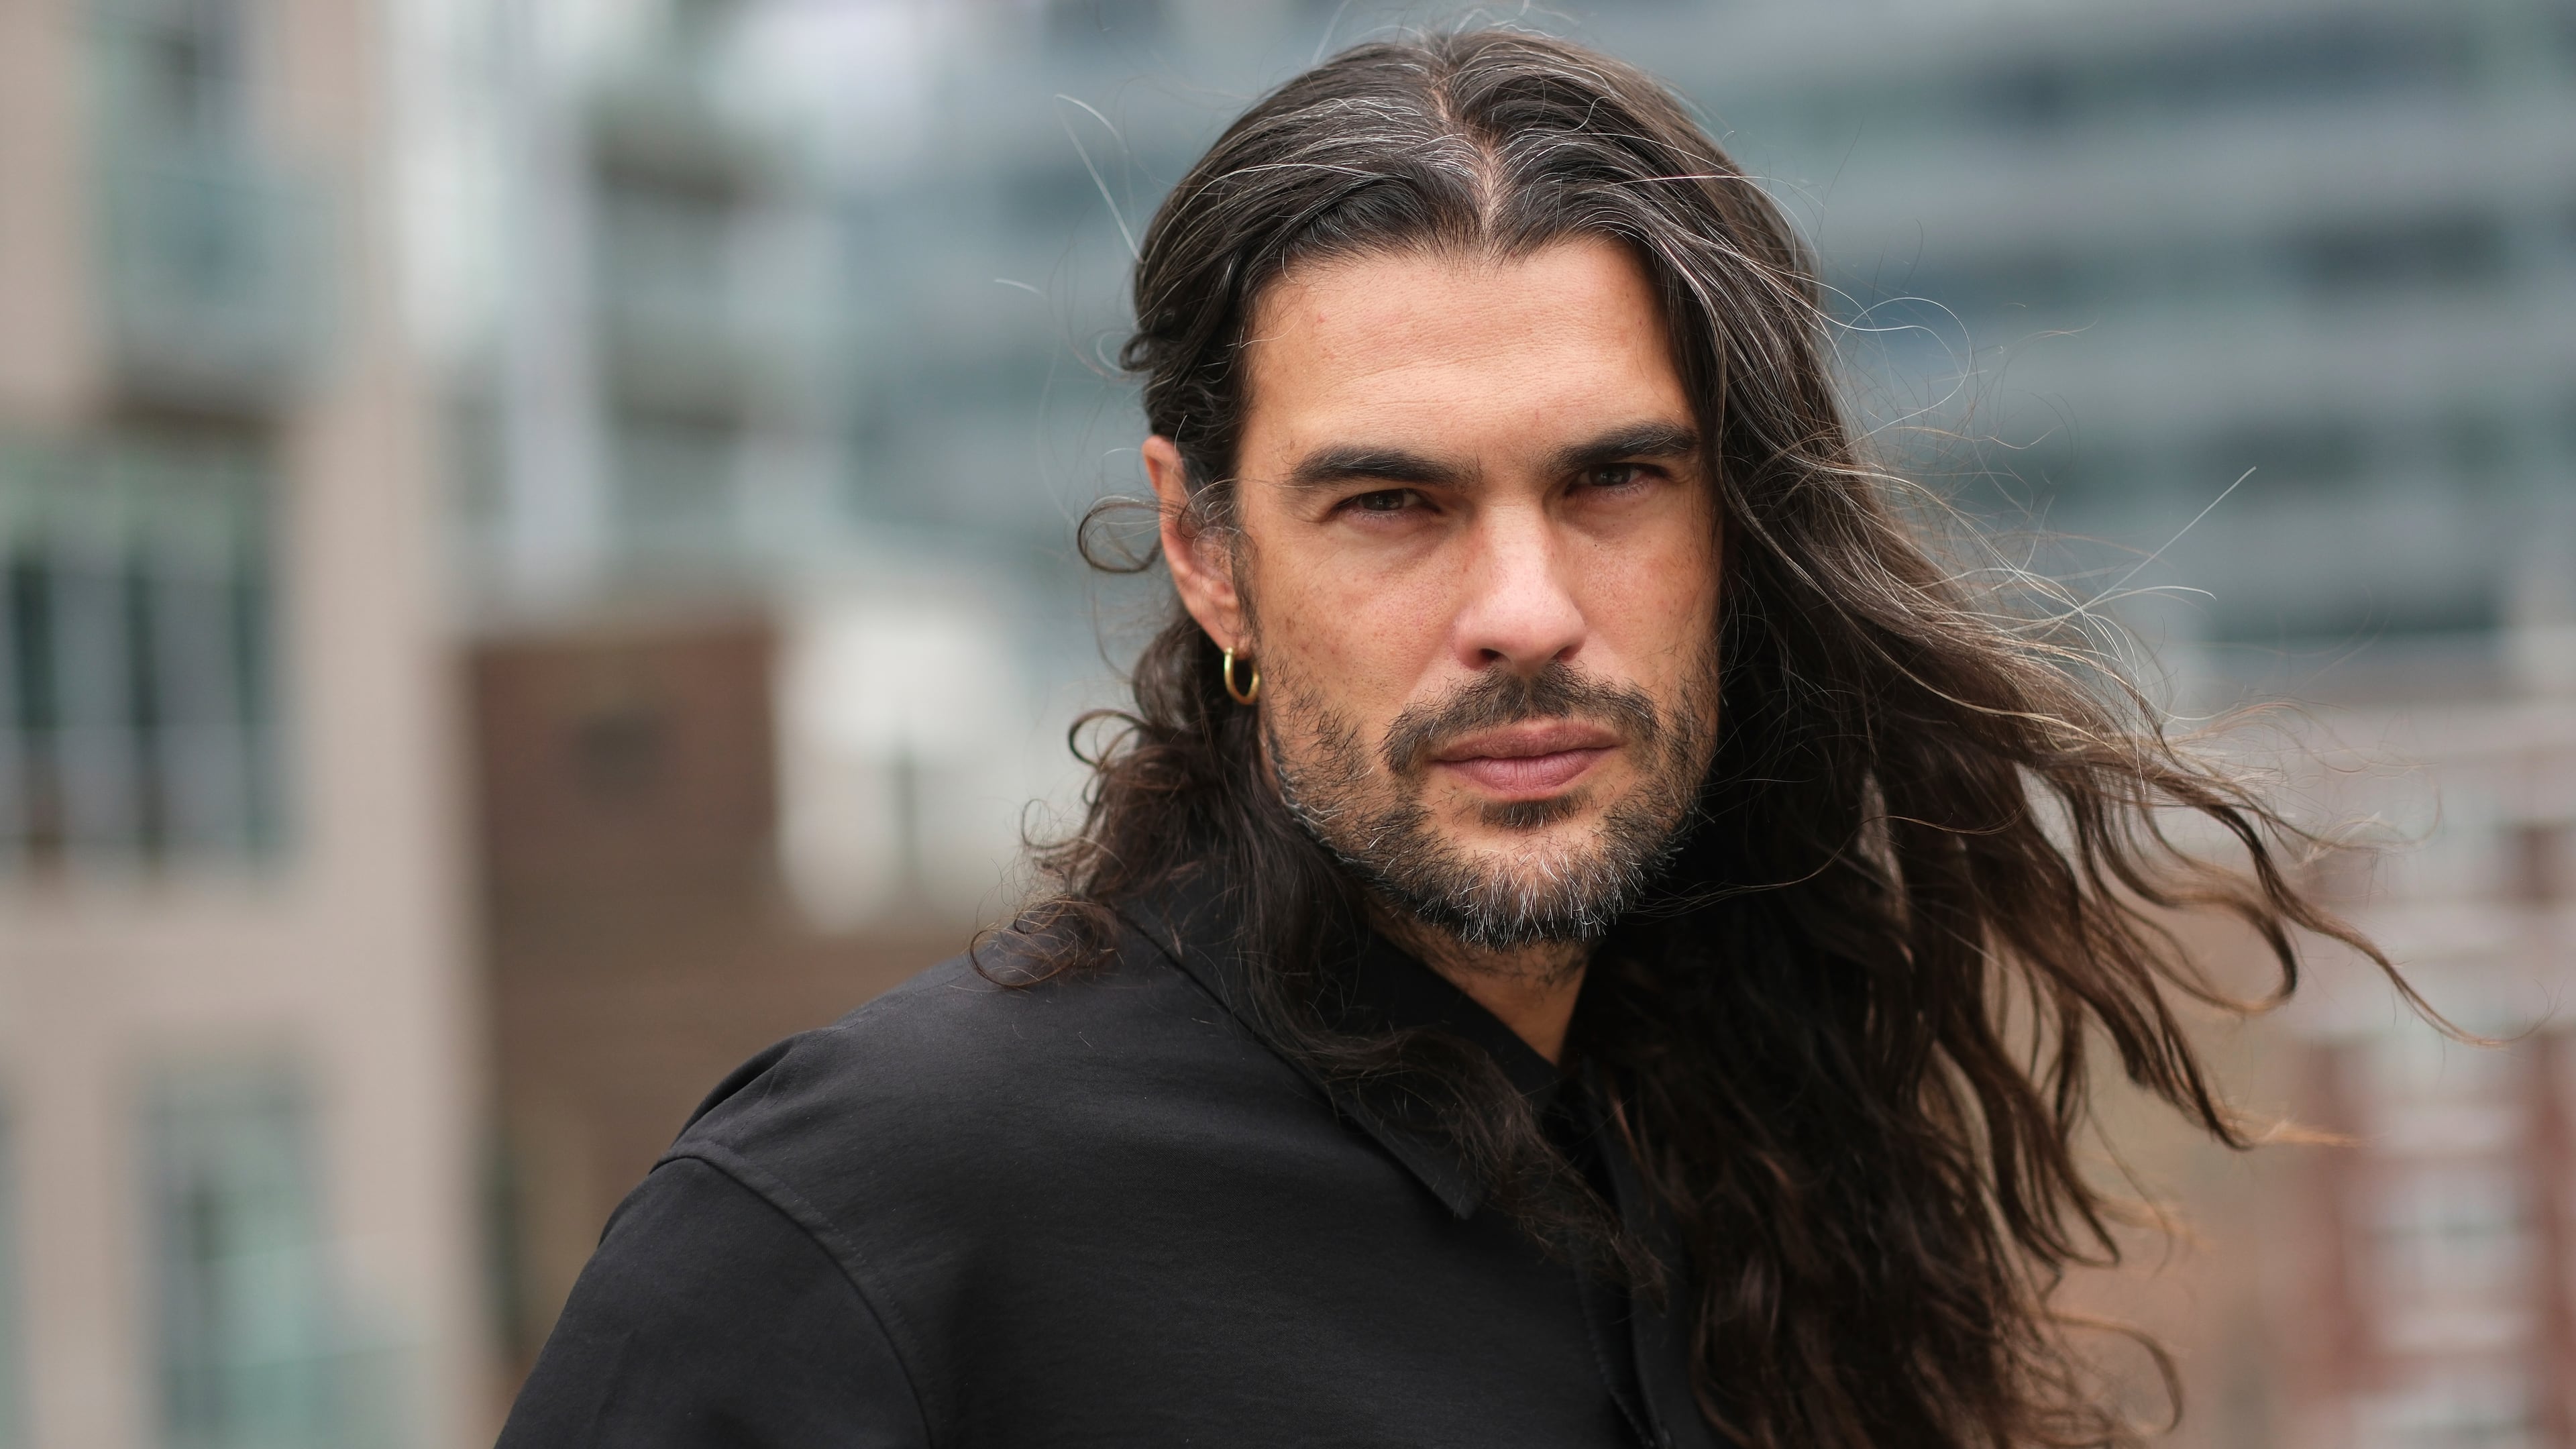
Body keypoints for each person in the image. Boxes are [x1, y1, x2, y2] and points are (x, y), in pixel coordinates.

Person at [498, 30, 2400, 1448]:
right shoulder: (865, 1219)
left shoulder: (1749, 1140)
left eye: (1614, 482)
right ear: (1208, 554)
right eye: (1392, 505)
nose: (1525, 607)